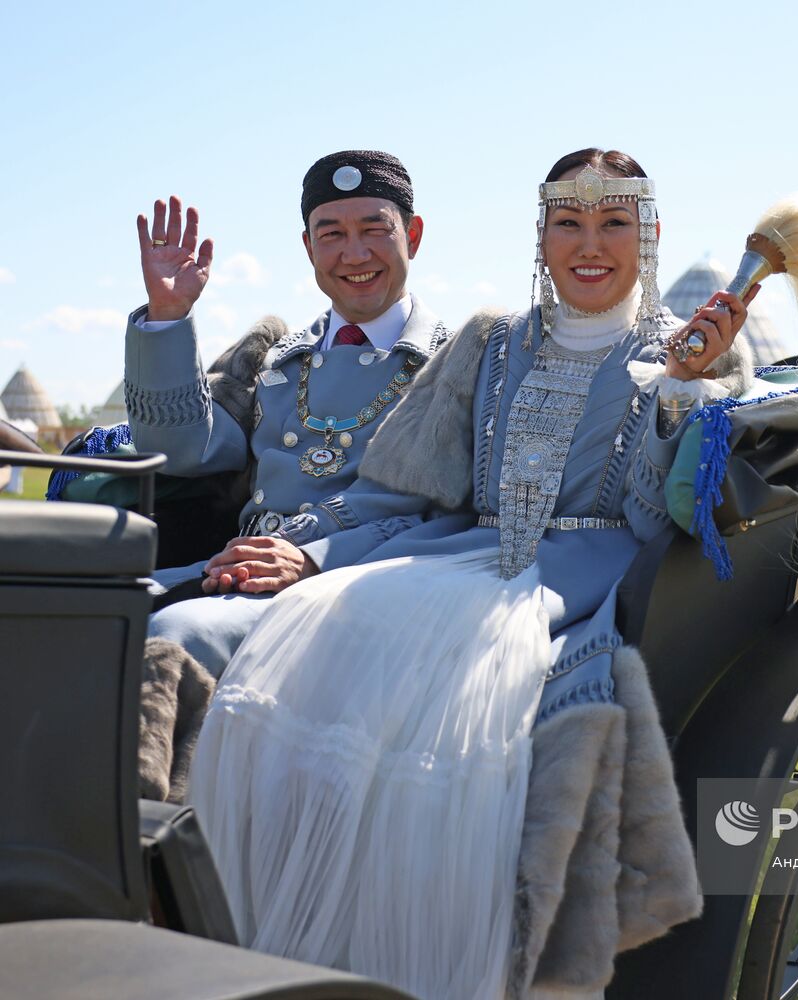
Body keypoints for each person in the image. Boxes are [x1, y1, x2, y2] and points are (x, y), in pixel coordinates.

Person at [188, 148, 756, 1000]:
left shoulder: (701, 364)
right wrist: (310, 549)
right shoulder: (490, 343)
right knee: (328, 640)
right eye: (568, 222)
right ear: (542, 234)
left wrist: (682, 390)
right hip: (461, 557)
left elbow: (656, 521)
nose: (588, 243)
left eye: (612, 222)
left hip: (586, 578)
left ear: (649, 234)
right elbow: (396, 490)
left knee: (468, 700)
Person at [126, 151, 450, 680]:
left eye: (374, 229)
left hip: (351, 588)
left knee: (177, 638)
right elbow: (181, 451)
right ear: (308, 247)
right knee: (63, 606)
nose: (354, 252)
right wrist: (168, 316)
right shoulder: (273, 360)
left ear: (412, 236)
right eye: (331, 234)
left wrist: (315, 557)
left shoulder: (457, 366)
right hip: (233, 576)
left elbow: (457, 519)